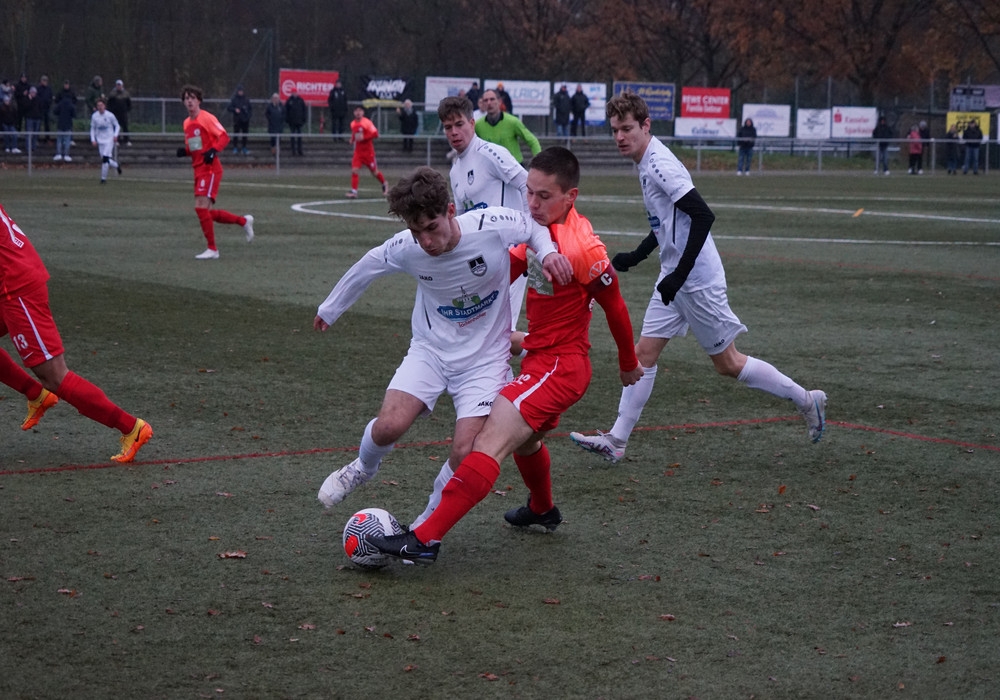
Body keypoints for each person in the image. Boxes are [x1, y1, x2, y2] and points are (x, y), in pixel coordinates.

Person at [365, 147, 642, 564]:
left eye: (543, 196)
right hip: (540, 358)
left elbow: (616, 306)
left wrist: (628, 363)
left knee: (488, 440)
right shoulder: (537, 233)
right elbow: (500, 271)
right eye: (528, 192)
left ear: (570, 196)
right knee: (526, 441)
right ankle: (542, 508)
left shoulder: (582, 247)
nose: (532, 203)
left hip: (560, 367)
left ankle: (424, 538)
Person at [568, 91, 827, 464]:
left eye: (627, 129)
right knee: (643, 354)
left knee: (728, 363)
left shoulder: (659, 164)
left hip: (696, 280)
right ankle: (617, 440)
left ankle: (807, 400)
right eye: (614, 130)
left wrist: (679, 275)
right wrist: (639, 255)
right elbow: (668, 221)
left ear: (645, 126)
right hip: (675, 276)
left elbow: (703, 216)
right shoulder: (646, 161)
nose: (620, 137)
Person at [314, 166, 572, 519]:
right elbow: (370, 263)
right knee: (389, 426)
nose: (425, 241)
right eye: (416, 231)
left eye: (431, 228)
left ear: (451, 211)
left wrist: (548, 253)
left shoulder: (491, 224)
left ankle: (424, 526)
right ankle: (362, 467)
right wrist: (330, 308)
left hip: (485, 361)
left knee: (465, 450)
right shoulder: (408, 247)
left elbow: (533, 227)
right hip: (430, 352)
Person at [0, 203, 153, 463]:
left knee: (54, 376)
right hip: (14, 277)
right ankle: (35, 394)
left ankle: (132, 428)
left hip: (16, 288)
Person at [175, 84, 254, 260]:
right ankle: (243, 221)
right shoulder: (187, 123)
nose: (189, 101)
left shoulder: (206, 118)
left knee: (200, 207)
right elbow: (196, 146)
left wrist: (213, 151)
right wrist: (185, 151)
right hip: (198, 169)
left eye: (192, 98)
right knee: (206, 212)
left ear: (199, 101)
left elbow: (224, 137)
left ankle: (212, 249)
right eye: (186, 98)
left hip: (210, 169)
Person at [474, 89, 541, 165]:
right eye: (485, 100)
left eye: (492, 99)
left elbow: (533, 141)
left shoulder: (512, 122)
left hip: (514, 167)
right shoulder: (478, 125)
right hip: (491, 168)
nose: (489, 103)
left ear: (499, 101)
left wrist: (538, 164)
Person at [346, 105, 387, 198]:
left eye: (360, 111)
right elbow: (355, 133)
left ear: (363, 113)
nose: (358, 113)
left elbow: (376, 134)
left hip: (368, 153)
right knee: (354, 170)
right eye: (356, 111)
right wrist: (352, 139)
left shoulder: (367, 122)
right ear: (354, 113)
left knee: (374, 172)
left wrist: (364, 137)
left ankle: (384, 183)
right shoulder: (352, 123)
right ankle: (354, 192)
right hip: (358, 152)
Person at [89, 98, 121, 184]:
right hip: (100, 140)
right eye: (98, 105)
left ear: (104, 106)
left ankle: (103, 179)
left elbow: (117, 126)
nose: (100, 107)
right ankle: (117, 165)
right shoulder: (94, 116)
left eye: (101, 105)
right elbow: (92, 128)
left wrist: (115, 135)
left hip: (109, 139)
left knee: (105, 158)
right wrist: (93, 139)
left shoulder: (110, 115)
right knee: (104, 159)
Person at [226, 85, 252, 155]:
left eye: (241, 91)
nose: (241, 92)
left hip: (245, 120)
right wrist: (235, 109)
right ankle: (235, 147)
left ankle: (244, 147)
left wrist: (248, 116)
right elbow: (229, 108)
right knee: (236, 134)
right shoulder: (234, 99)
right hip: (237, 120)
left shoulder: (246, 99)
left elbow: (250, 109)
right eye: (239, 91)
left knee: (245, 135)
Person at [106, 79, 132, 146]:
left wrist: (127, 109)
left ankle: (126, 140)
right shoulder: (112, 94)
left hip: (123, 113)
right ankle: (117, 140)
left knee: (125, 126)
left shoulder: (126, 93)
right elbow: (109, 104)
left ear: (122, 85)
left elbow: (129, 103)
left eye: (120, 85)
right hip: (115, 113)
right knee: (115, 126)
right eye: (117, 85)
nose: (119, 86)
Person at [52, 85, 76, 162]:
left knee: (59, 140)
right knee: (67, 140)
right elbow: (74, 114)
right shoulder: (71, 105)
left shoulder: (60, 104)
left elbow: (55, 111)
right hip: (68, 124)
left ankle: (59, 154)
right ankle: (66, 155)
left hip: (60, 124)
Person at [285, 87, 307, 156]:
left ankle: (300, 150)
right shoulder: (289, 100)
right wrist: (287, 120)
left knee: (299, 137)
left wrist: (304, 119)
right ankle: (293, 151)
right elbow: (286, 111)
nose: (294, 93)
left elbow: (304, 110)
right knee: (292, 137)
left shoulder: (300, 100)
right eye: (293, 92)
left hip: (299, 122)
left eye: (295, 92)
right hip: (292, 122)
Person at [22, 86, 43, 152]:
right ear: (30, 93)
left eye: (35, 93)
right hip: (29, 118)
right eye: (32, 92)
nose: (34, 94)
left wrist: (40, 115)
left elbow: (41, 107)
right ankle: (28, 148)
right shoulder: (26, 99)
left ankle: (34, 147)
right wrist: (30, 100)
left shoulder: (38, 99)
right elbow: (25, 107)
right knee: (28, 133)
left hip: (37, 118)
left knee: (36, 134)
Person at [35, 74, 53, 144]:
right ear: (41, 81)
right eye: (44, 80)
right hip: (39, 109)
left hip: (47, 109)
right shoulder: (38, 89)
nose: (45, 82)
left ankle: (47, 138)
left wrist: (49, 103)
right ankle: (36, 139)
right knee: (38, 125)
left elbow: (51, 97)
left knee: (47, 124)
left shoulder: (49, 89)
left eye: (46, 81)